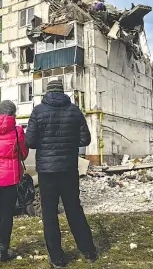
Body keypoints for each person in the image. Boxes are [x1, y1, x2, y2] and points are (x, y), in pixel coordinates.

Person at [25, 80, 97, 268]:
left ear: (47, 92)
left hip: (47, 172)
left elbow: (30, 141)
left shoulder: (38, 111)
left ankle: (57, 258)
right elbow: (86, 139)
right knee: (74, 209)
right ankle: (89, 251)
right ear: (62, 92)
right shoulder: (74, 111)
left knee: (49, 213)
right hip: (68, 169)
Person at [0, 100, 29, 262]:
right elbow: (23, 154)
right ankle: (3, 252)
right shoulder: (17, 131)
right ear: (12, 113)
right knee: (7, 214)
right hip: (10, 178)